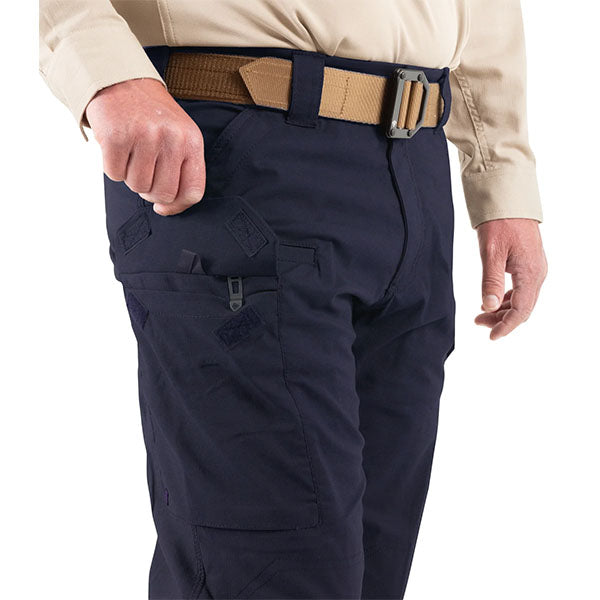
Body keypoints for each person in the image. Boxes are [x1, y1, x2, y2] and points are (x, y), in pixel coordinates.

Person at [39, 1, 547, 598]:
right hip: (238, 149)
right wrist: (108, 75)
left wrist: (502, 174)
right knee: (274, 570)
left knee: (369, 569)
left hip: (416, 163)